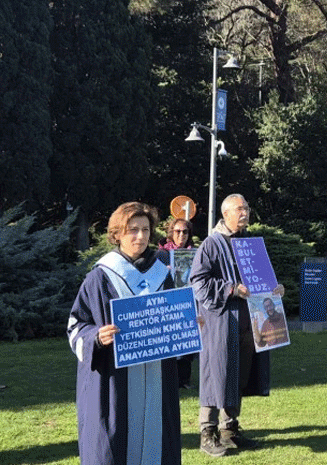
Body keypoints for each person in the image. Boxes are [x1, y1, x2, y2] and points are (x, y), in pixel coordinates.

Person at [68, 201, 181, 465]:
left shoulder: (162, 275)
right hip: (114, 381)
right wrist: (96, 337)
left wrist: (187, 324)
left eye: (145, 229)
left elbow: (173, 321)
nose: (140, 236)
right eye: (133, 230)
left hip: (156, 376)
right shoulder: (100, 277)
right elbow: (75, 325)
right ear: (117, 234)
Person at [192, 193, 280, 457]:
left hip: (249, 323)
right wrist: (231, 289)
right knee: (215, 375)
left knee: (238, 375)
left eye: (247, 208)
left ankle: (229, 430)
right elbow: (198, 282)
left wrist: (275, 288)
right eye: (240, 209)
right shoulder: (211, 244)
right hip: (220, 322)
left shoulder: (250, 243)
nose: (245, 213)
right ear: (225, 213)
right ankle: (207, 433)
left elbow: (260, 279)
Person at [160, 217, 196, 389]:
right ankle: (169, 379)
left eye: (185, 232)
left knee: (187, 343)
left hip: (189, 302)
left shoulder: (195, 254)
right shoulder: (161, 254)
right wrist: (164, 272)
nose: (181, 235)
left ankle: (184, 380)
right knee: (169, 341)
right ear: (171, 233)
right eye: (178, 231)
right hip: (168, 304)